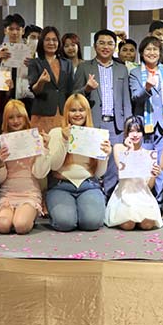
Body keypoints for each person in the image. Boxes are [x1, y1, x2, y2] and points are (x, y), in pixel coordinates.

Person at [74, 29, 132, 197]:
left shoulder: (122, 69)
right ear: (95, 46)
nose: (106, 47)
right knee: (91, 163)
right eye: (102, 43)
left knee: (113, 166)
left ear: (115, 47)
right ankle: (93, 197)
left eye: (110, 43)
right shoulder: (84, 67)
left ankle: (110, 200)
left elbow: (126, 100)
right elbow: (73, 96)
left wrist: (128, 127)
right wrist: (86, 89)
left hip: (116, 125)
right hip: (92, 123)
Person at [46, 94, 111, 231]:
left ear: (87, 113)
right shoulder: (56, 133)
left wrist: (104, 156)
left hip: (89, 185)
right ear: (66, 113)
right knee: (65, 223)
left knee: (91, 222)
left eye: (81, 110)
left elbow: (99, 173)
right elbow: (54, 166)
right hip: (61, 185)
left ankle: (81, 211)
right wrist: (65, 140)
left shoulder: (95, 135)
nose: (77, 114)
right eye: (73, 110)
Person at [128, 35, 163, 201]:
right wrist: (147, 87)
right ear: (141, 53)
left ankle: (159, 201)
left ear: (160, 52)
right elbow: (135, 98)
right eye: (148, 49)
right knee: (144, 164)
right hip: (144, 126)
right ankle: (143, 199)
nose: (152, 53)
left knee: (162, 165)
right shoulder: (135, 73)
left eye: (155, 49)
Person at [0, 100, 51, 234]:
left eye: (19, 116)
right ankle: (15, 214)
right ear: (5, 120)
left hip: (29, 193)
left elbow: (40, 173)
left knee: (21, 226)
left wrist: (45, 148)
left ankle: (29, 213)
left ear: (25, 117)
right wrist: (0, 162)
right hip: (7, 193)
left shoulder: (35, 139)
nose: (15, 121)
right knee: (2, 225)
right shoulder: (2, 141)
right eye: (11, 117)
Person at [104, 116, 163, 230]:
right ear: (126, 133)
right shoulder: (119, 148)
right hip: (125, 193)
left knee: (147, 225)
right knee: (128, 225)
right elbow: (123, 172)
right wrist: (130, 150)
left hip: (142, 193)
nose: (135, 135)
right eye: (131, 131)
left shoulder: (148, 154)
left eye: (138, 131)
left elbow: (149, 186)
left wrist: (153, 175)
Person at [28, 26, 73, 133]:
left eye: (54, 40)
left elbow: (70, 90)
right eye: (47, 39)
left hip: (63, 113)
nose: (51, 43)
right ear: (41, 42)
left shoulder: (67, 63)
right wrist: (41, 81)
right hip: (42, 114)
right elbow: (35, 90)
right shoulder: (35, 63)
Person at [0, 13, 34, 114]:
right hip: (4, 98)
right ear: (5, 31)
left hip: (25, 98)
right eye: (11, 29)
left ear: (23, 31)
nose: (14, 32)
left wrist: (32, 65)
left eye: (18, 29)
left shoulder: (30, 53)